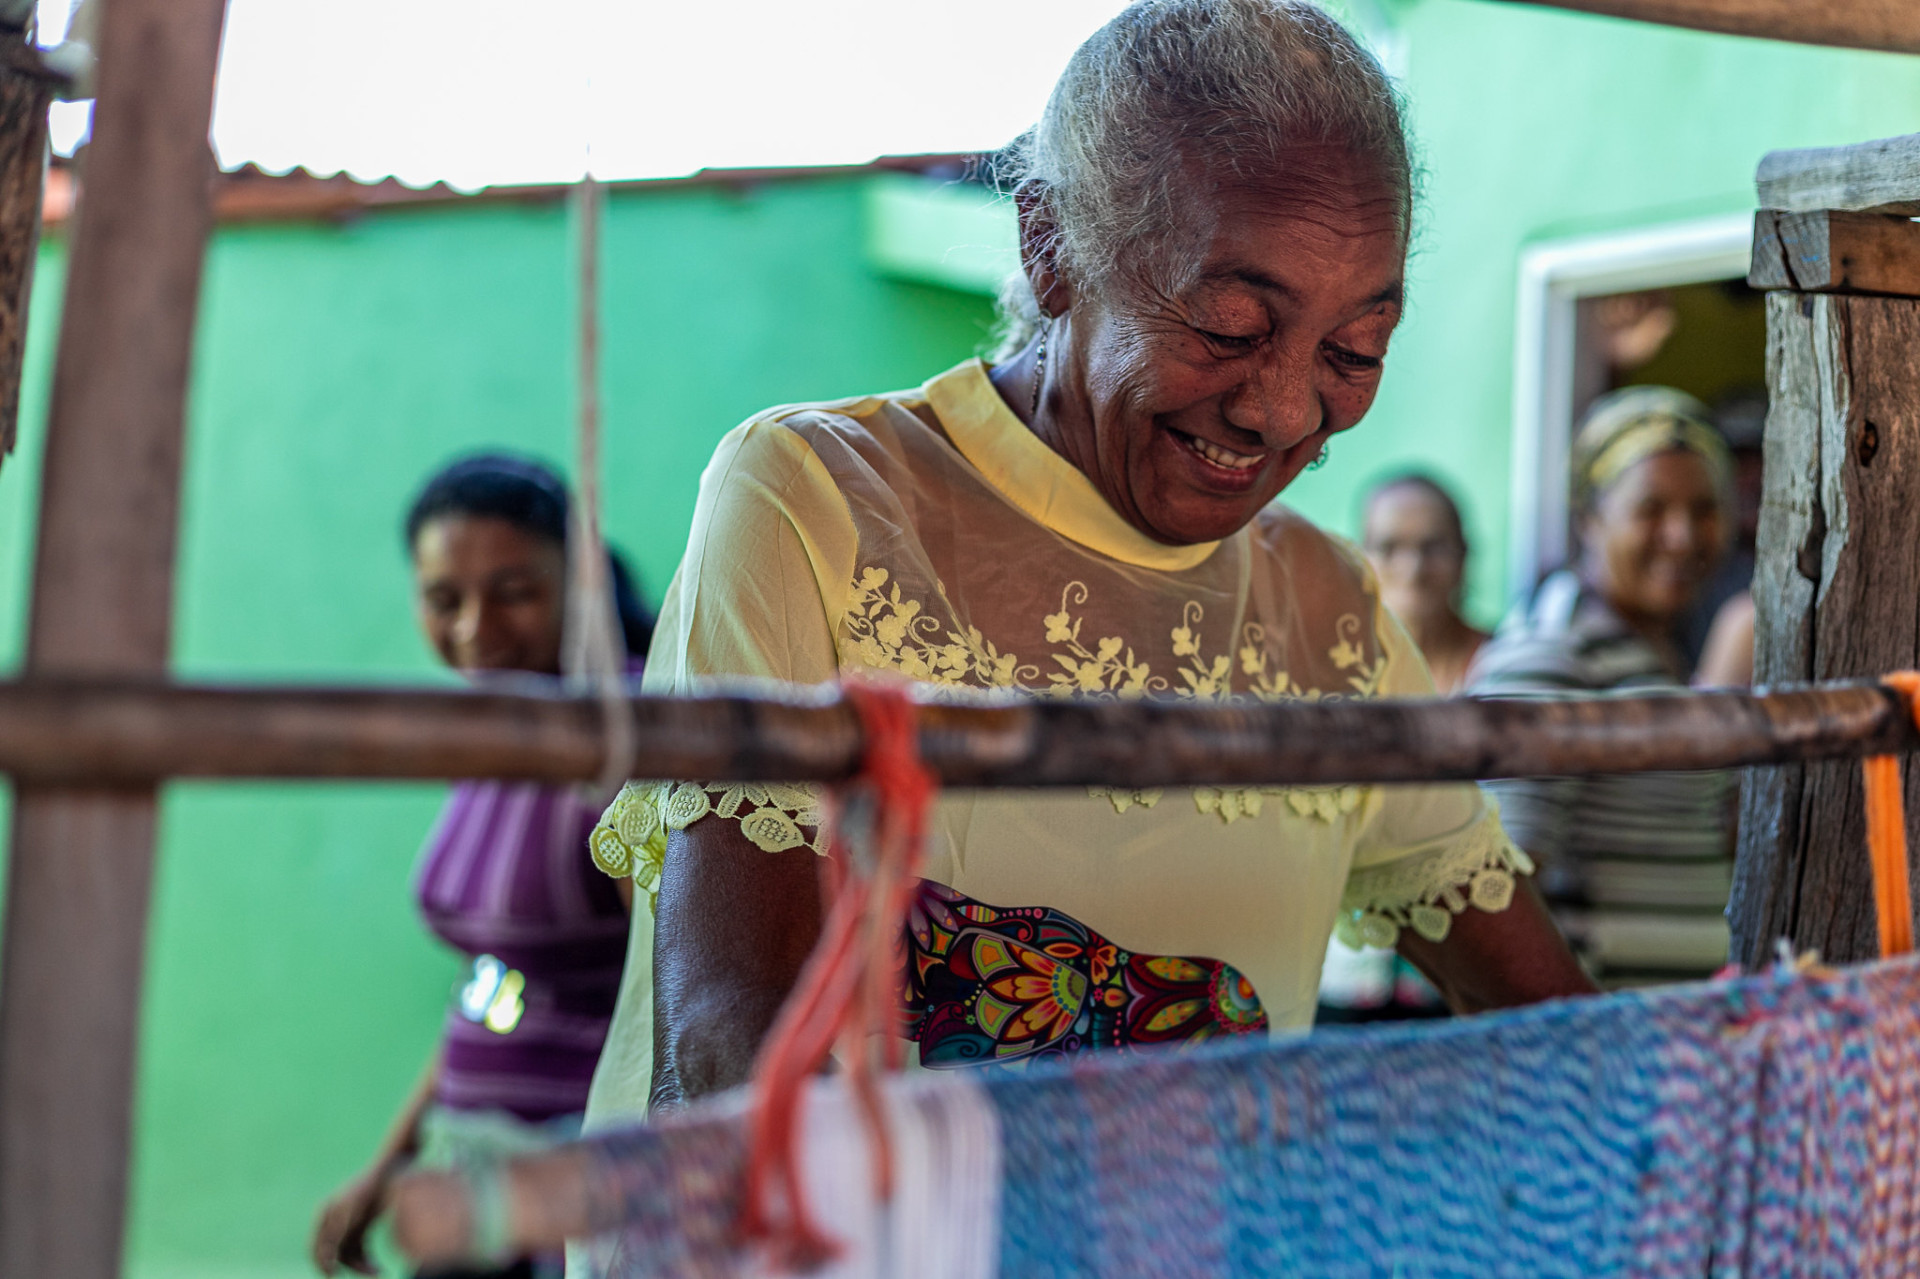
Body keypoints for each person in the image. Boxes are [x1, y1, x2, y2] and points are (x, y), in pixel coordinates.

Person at [581, 0, 1595, 1130]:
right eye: (1226, 326)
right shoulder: (817, 498)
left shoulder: (1327, 609)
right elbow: (732, 1038)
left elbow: (1546, 1012)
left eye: (1353, 350)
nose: (1283, 409)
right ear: (1051, 245)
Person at [311, 455, 651, 1279]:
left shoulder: (625, 737)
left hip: (578, 1184)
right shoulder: (497, 728)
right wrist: (394, 1157)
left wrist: (632, 1190)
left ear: (581, 580)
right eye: (443, 599)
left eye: (514, 591)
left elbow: (670, 986)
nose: (475, 629)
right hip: (472, 1165)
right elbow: (493, 978)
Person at [1467, 388, 1736, 986]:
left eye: (1704, 509)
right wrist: (1570, 1024)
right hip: (1594, 1039)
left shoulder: (1647, 648)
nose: (1682, 536)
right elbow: (1498, 884)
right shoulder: (1551, 648)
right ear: (1589, 518)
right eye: (1651, 509)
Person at [1360, 474, 1488, 695]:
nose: (1412, 570)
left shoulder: (1504, 665)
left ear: (1463, 557)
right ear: (1361, 560)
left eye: (1434, 547)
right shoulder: (1336, 671)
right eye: (1388, 547)